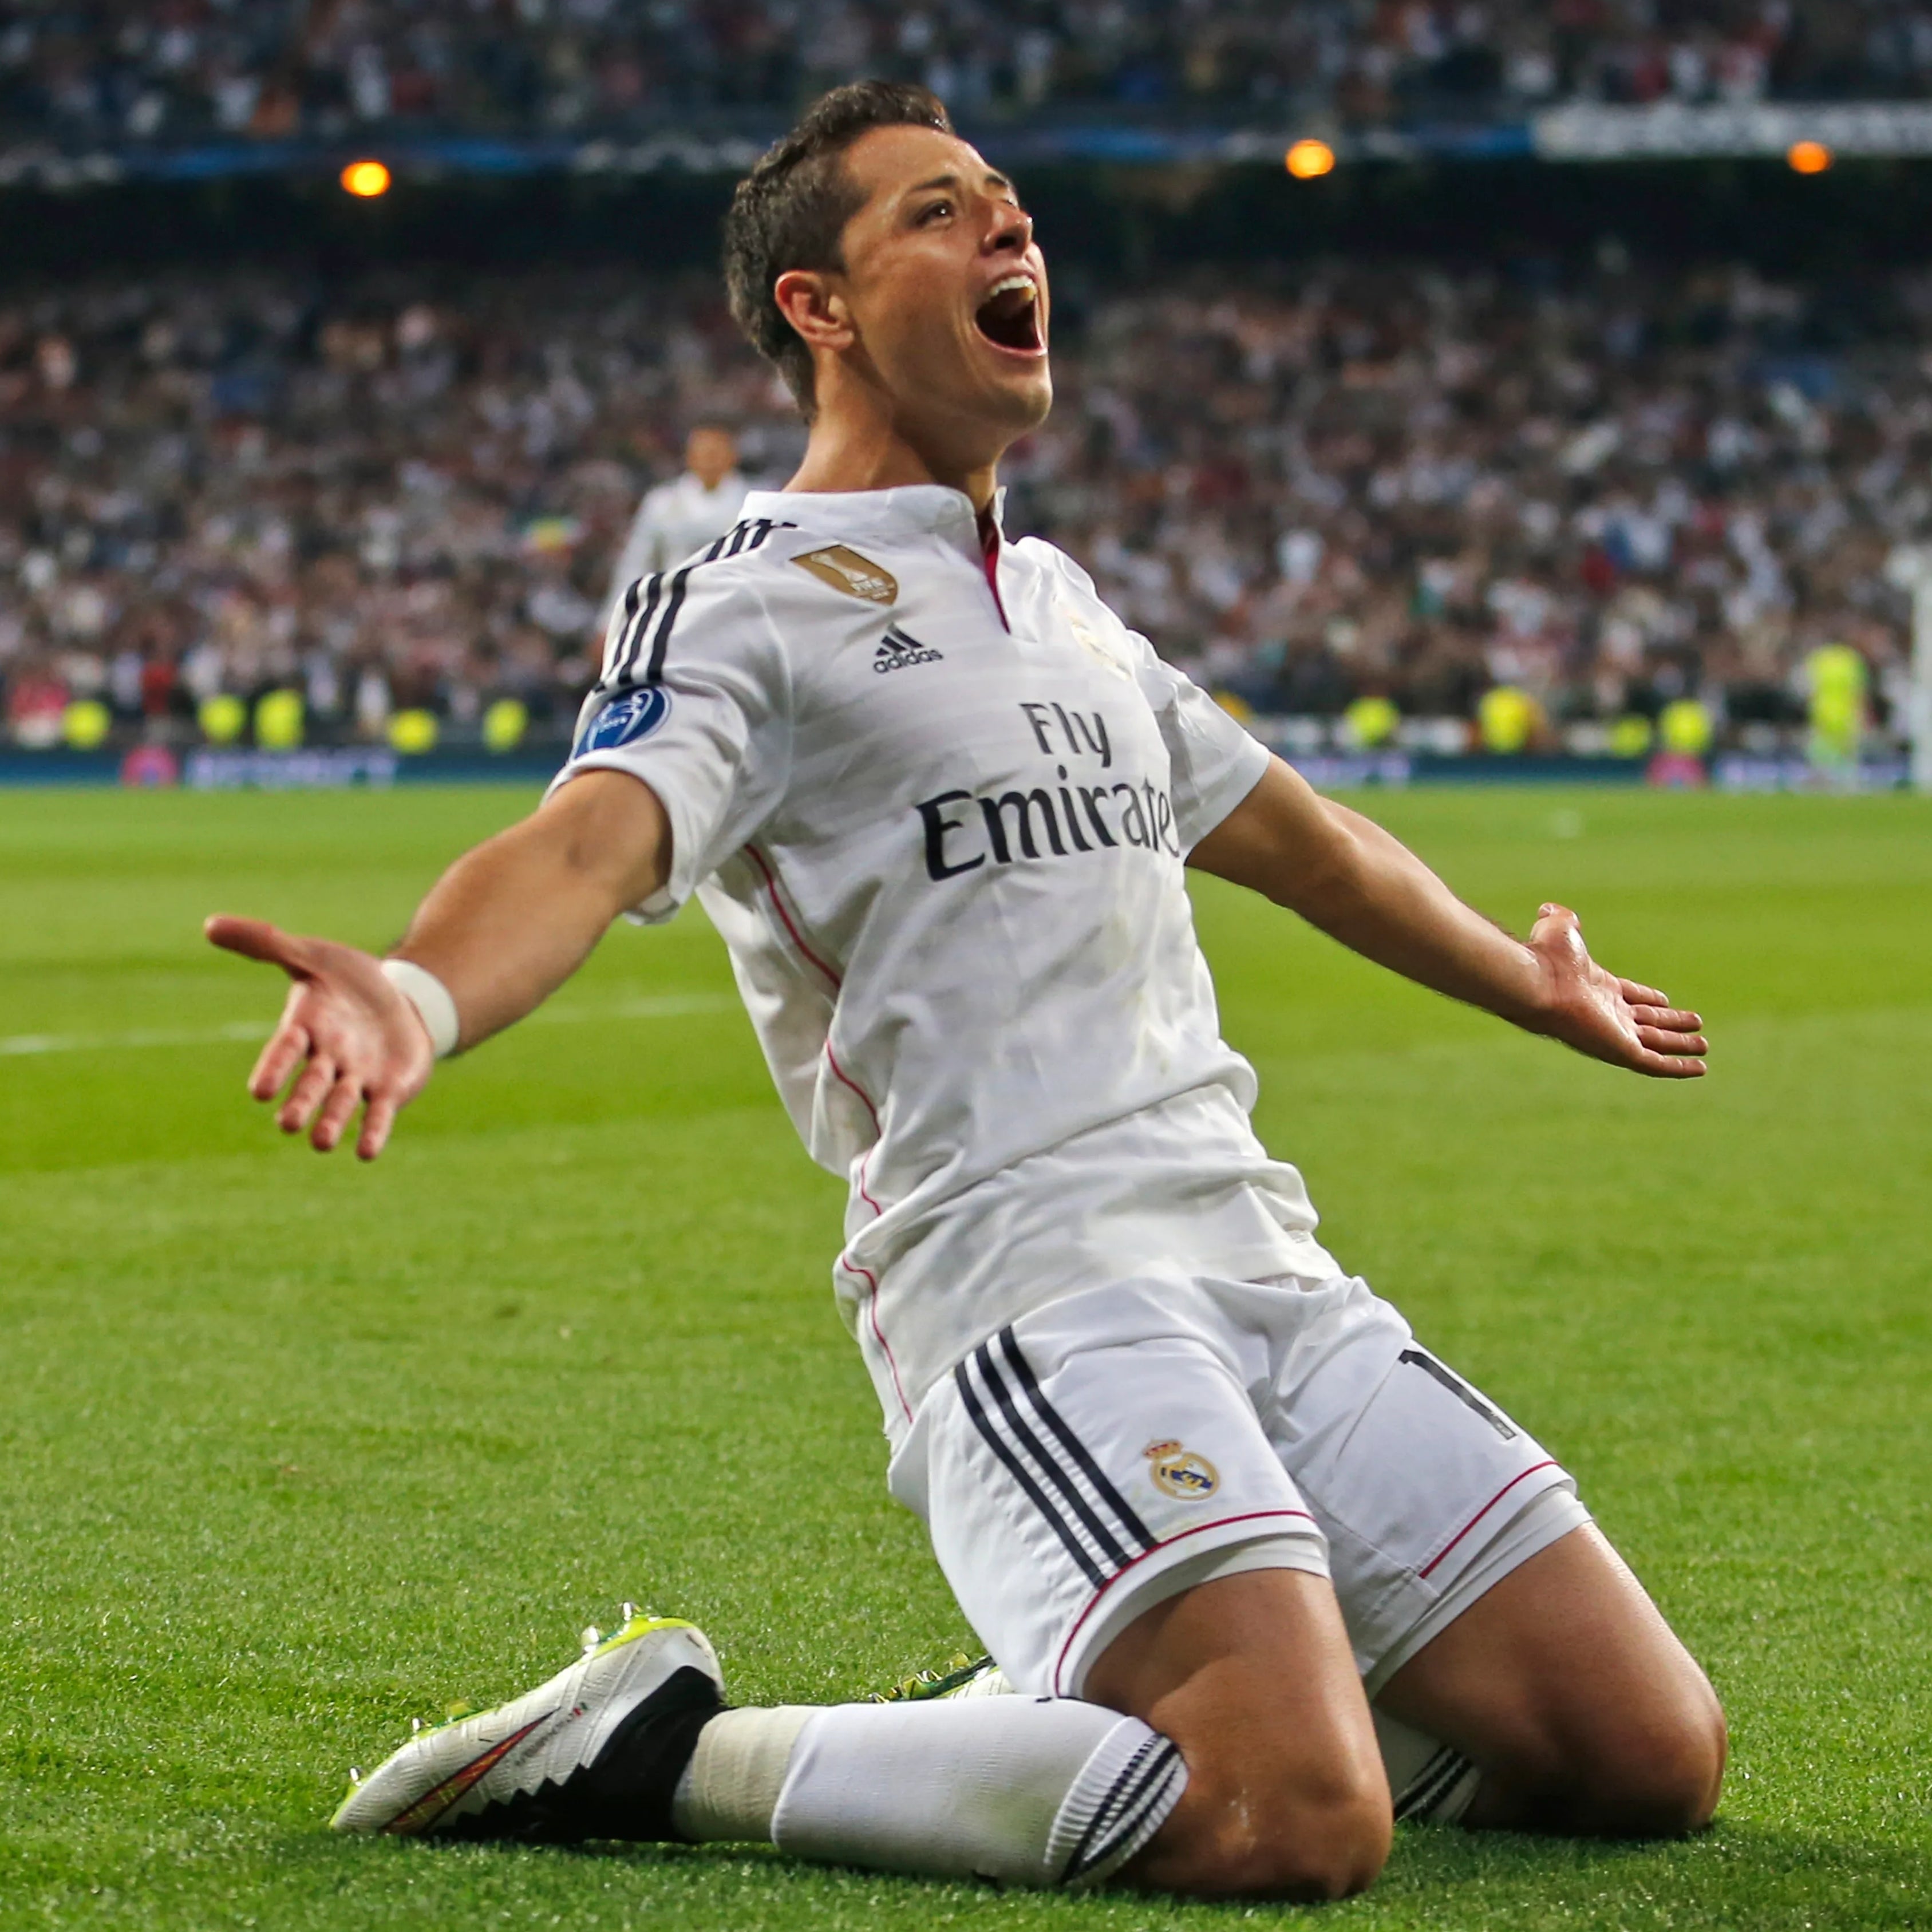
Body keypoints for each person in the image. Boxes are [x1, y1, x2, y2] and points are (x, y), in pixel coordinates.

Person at [205, 82, 1725, 1901]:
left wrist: (1531, 987)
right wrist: (417, 992)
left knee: (1643, 1754)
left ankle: (1044, 1729)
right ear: (818, 307)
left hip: (1263, 1262)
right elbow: (588, 840)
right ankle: (660, 1751)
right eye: (936, 210)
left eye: (1006, 200)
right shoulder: (742, 603)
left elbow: (1308, 843)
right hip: (1030, 1289)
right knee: (1290, 1819)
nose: (1009, 226)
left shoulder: (1064, 603)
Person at [603, 422, 748, 626]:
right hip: (673, 609)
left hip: (735, 611)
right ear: (689, 456)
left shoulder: (752, 502)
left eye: (716, 452)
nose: (710, 459)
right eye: (703, 452)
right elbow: (637, 561)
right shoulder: (662, 502)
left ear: (733, 456)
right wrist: (612, 619)